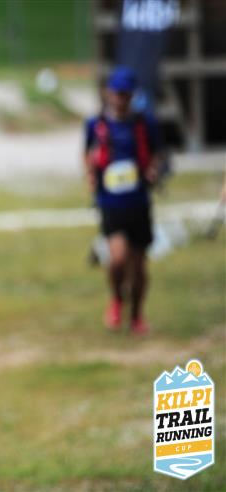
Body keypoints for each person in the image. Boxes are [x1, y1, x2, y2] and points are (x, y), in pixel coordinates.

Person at [84, 66, 162, 335]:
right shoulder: (96, 125)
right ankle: (117, 299)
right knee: (117, 259)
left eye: (125, 94)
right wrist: (90, 175)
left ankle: (137, 315)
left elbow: (159, 153)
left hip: (138, 202)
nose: (120, 99)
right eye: (117, 93)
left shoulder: (145, 123)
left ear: (132, 95)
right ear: (108, 93)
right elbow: (87, 153)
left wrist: (153, 169)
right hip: (110, 203)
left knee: (138, 267)